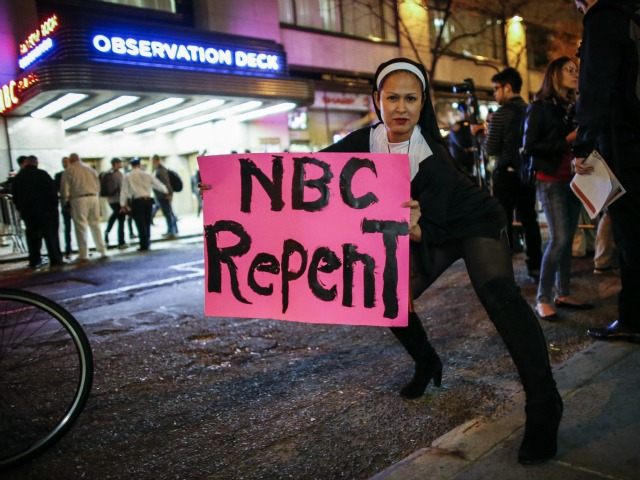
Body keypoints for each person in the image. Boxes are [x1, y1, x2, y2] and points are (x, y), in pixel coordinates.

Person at [322, 57, 562, 464]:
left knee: (500, 297)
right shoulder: (365, 140)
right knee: (387, 299)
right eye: (392, 98)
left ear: (423, 103)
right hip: (426, 226)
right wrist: (223, 184)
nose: (400, 108)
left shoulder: (431, 154)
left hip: (473, 221)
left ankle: (544, 403)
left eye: (410, 99)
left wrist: (416, 229)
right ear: (376, 100)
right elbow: (298, 173)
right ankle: (427, 361)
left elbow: (431, 224)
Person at [572, 0, 640, 342]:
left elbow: (595, 86)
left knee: (630, 237)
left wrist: (582, 144)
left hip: (623, 141)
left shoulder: (604, 18)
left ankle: (633, 318)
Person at [522, 56, 593, 321]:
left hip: (573, 179)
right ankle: (542, 298)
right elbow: (530, 147)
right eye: (569, 70)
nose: (575, 74)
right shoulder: (539, 107)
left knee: (567, 238)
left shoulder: (572, 107)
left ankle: (563, 292)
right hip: (550, 180)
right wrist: (566, 140)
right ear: (554, 74)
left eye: (577, 70)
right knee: (560, 239)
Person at [485, 67, 542, 280]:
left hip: (506, 176)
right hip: (527, 173)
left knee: (504, 222)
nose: (494, 94)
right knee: (530, 220)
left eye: (496, 89)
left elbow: (491, 149)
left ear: (507, 88)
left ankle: (504, 270)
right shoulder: (531, 110)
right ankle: (535, 266)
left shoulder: (500, 115)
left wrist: (485, 131)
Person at [11, 155, 64, 268]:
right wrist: (54, 206)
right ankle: (55, 259)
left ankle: (35, 260)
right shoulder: (43, 174)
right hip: (47, 211)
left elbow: (15, 196)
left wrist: (21, 209)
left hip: (29, 212)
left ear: (25, 163)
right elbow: (52, 191)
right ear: (36, 163)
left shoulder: (19, 178)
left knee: (33, 237)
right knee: (51, 236)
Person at [61, 152, 107, 262]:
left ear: (71, 160)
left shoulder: (69, 170)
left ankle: (83, 253)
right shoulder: (90, 169)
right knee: (95, 224)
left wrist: (65, 202)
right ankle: (102, 250)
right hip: (93, 197)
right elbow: (98, 184)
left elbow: (64, 189)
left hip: (78, 199)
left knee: (81, 226)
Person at [120, 157, 168, 251]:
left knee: (140, 223)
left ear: (131, 165)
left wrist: (123, 204)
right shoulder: (147, 174)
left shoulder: (128, 176)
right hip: (148, 200)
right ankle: (147, 241)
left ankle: (144, 244)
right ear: (139, 164)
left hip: (137, 201)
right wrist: (165, 191)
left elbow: (124, 191)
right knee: (147, 222)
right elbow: (157, 184)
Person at [102, 157, 127, 249]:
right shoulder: (115, 174)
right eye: (120, 163)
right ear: (115, 163)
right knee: (119, 218)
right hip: (117, 200)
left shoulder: (111, 173)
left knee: (120, 219)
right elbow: (122, 188)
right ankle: (119, 240)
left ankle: (119, 240)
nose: (121, 164)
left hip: (113, 200)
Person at [151, 154, 178, 238]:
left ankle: (171, 231)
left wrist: (169, 194)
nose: (152, 163)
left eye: (152, 161)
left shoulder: (160, 170)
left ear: (156, 160)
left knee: (168, 214)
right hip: (163, 195)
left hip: (164, 196)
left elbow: (166, 183)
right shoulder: (159, 169)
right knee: (169, 213)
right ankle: (174, 230)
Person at [54, 156, 73, 258]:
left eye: (66, 162)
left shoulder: (74, 174)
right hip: (65, 203)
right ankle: (68, 249)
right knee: (67, 228)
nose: (64, 164)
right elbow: (56, 189)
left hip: (75, 202)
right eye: (63, 162)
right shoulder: (59, 175)